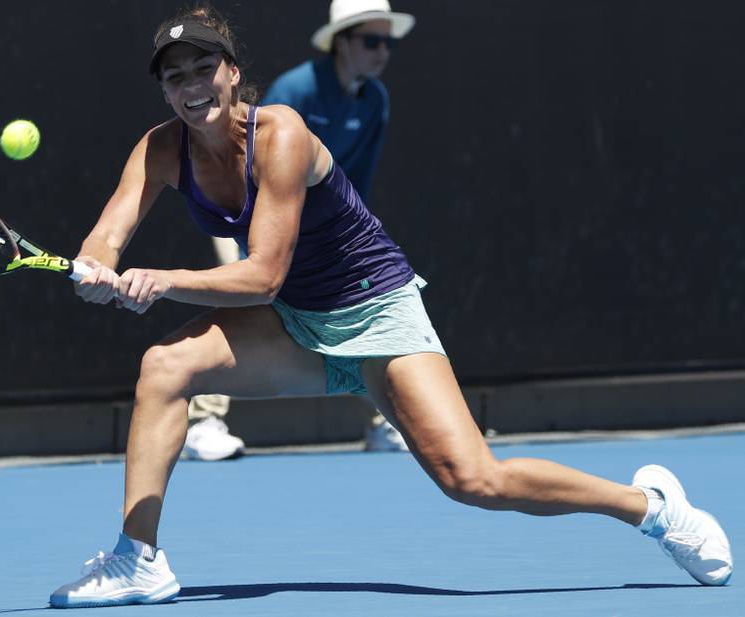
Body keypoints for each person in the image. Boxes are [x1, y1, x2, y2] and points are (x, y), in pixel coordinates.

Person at [49, 6, 733, 608]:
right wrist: (94, 267)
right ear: (165, 90)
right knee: (165, 366)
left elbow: (263, 277)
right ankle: (138, 558)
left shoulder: (281, 134)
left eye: (204, 68)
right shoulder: (160, 148)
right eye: (175, 77)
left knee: (474, 479)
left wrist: (161, 280)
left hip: (375, 311)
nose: (192, 85)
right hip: (298, 325)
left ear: (232, 74)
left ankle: (651, 509)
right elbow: (108, 234)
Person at [261, 0, 415, 452]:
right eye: (371, 41)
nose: (382, 52)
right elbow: (252, 166)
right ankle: (203, 421)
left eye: (387, 43)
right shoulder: (295, 90)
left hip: (324, 234)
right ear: (341, 43)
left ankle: (380, 420)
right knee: (242, 305)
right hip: (261, 219)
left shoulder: (375, 101)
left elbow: (356, 183)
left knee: (362, 313)